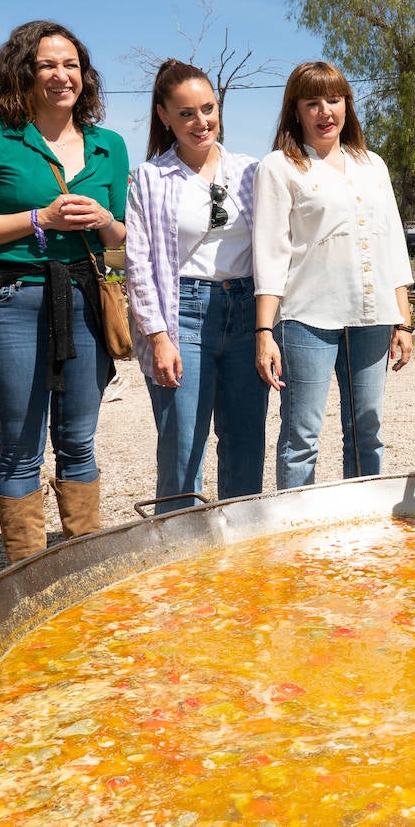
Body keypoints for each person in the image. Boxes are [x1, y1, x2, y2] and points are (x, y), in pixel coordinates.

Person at [0, 20, 128, 565]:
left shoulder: (108, 146)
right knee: (22, 447)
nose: (61, 75)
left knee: (79, 441)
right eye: (48, 64)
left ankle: (80, 568)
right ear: (23, 72)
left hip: (85, 298)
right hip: (12, 300)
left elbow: (122, 243)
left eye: (71, 64)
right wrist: (37, 218)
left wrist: (104, 221)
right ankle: (27, 578)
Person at [253, 61, 414, 489]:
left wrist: (403, 319)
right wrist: (264, 331)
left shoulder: (371, 164)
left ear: (347, 105)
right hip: (307, 317)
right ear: (296, 111)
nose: (325, 111)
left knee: (367, 433)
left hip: (372, 317)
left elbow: (391, 242)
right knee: (301, 437)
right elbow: (270, 253)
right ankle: (297, 532)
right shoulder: (279, 167)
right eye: (312, 102)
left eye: (334, 100)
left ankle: (363, 522)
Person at [125, 60, 268, 512]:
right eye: (186, 113)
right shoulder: (150, 177)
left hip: (245, 310)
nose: (201, 122)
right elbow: (139, 264)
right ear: (164, 116)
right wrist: (159, 336)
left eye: (208, 109)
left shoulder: (250, 171)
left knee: (246, 443)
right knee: (183, 448)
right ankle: (178, 552)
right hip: (181, 312)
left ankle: (241, 553)